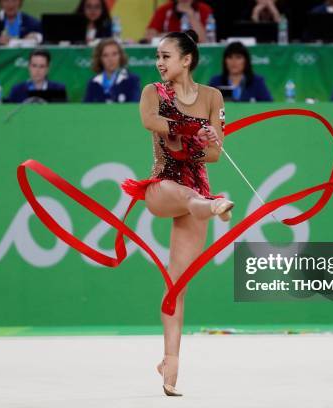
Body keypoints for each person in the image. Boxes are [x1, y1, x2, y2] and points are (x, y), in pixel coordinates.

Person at [120, 29, 233, 397]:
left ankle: (170, 363)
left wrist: (208, 139)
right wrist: (194, 131)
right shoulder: (153, 92)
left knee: (177, 285)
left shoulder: (214, 96)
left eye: (166, 56)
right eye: (157, 56)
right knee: (187, 198)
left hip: (196, 190)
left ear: (187, 60)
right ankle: (212, 206)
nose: (159, 63)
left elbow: (215, 153)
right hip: (161, 187)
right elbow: (150, 122)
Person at [208, 41, 273, 102]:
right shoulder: (215, 82)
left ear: (246, 61)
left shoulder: (257, 82)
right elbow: (206, 105)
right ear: (225, 61)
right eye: (230, 57)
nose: (234, 62)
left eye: (238, 57)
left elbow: (268, 105)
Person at [83, 38, 141, 103]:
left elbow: (134, 106)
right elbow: (85, 107)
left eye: (114, 54)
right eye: (105, 55)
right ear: (99, 59)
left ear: (120, 56)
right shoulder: (93, 83)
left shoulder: (132, 80)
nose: (110, 59)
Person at [145, 0, 213, 43]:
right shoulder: (164, 9)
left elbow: (204, 40)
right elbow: (149, 37)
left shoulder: (204, 9)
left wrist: (190, 14)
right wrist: (176, 37)